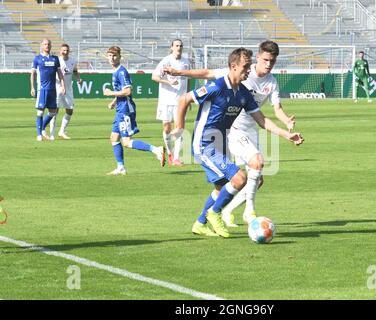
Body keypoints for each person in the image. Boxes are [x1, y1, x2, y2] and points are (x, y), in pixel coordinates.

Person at [172, 48, 304, 238]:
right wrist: (180, 126)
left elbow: (261, 120)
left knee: (221, 188)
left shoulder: (243, 93)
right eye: (245, 66)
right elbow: (184, 99)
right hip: (204, 144)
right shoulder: (216, 87)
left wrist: (286, 134)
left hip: (220, 144)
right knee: (239, 178)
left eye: (249, 66)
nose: (248, 70)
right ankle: (215, 213)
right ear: (233, 67)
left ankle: (200, 223)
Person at [103, 46, 166, 176]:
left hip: (125, 109)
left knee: (126, 141)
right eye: (109, 55)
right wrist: (114, 101)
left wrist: (110, 93)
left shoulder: (121, 72)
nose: (112, 58)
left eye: (114, 55)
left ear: (120, 57)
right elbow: (123, 91)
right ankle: (120, 167)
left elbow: (128, 91)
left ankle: (157, 150)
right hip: (120, 107)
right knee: (114, 137)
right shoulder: (116, 71)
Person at [151, 39, 190, 166]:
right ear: (172, 47)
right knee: (167, 128)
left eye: (180, 46)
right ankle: (170, 152)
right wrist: (168, 82)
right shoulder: (166, 61)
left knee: (179, 129)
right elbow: (154, 77)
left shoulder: (186, 62)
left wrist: (188, 98)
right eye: (176, 45)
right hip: (166, 100)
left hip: (180, 101)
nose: (179, 47)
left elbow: (188, 80)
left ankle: (176, 158)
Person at [31, 38, 66, 141]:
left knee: (52, 112)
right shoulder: (37, 59)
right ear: (41, 46)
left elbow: (59, 73)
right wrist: (32, 87)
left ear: (51, 46)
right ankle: (39, 135)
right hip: (42, 89)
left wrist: (63, 85)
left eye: (49, 44)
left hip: (52, 90)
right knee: (40, 112)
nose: (47, 46)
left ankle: (42, 128)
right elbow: (32, 74)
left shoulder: (55, 59)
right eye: (45, 44)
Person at [45, 43, 82, 140]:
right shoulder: (57, 60)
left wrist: (78, 78)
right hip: (57, 88)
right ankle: (52, 133)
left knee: (70, 110)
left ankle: (61, 131)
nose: (65, 52)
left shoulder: (73, 61)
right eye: (63, 50)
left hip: (68, 89)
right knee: (54, 110)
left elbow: (74, 71)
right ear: (60, 51)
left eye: (67, 50)